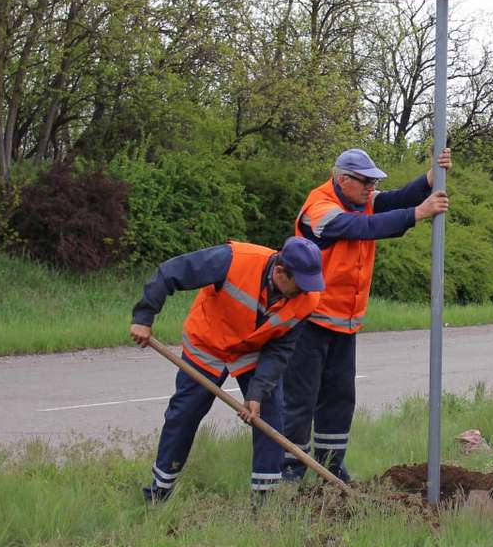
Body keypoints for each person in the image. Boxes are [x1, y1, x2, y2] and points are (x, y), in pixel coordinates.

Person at [281, 147, 450, 482]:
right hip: (309, 321)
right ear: (343, 179)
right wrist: (419, 213)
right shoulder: (321, 209)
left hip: (344, 323)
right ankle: (289, 471)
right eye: (366, 184)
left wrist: (432, 177)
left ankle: (330, 468)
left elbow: (394, 200)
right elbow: (362, 227)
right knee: (300, 400)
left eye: (374, 184)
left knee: (340, 399)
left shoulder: (360, 199)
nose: (371, 190)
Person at [129, 236, 325, 502]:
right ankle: (159, 492)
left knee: (270, 414)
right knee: (184, 415)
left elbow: (279, 351)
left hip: (251, 351)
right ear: (280, 271)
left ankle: (264, 503)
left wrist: (256, 394)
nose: (304, 292)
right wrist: (144, 316)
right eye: (299, 286)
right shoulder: (234, 260)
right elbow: (171, 272)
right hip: (208, 344)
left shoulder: (307, 300)